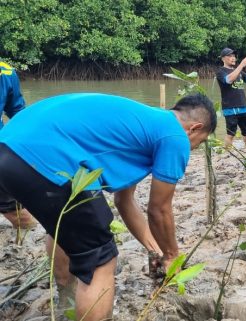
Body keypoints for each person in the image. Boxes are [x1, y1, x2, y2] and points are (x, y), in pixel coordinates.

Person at [0, 93, 216, 321]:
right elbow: (159, 210)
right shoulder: (175, 136)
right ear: (194, 128)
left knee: (65, 229)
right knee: (100, 259)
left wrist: (156, 251)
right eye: (199, 142)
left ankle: (67, 302)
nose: (193, 149)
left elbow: (125, 202)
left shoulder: (143, 125)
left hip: (8, 147)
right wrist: (172, 256)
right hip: (46, 156)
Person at [0, 62, 35, 230]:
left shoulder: (5, 71)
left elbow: (17, 112)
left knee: (15, 211)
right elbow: (18, 113)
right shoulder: (5, 70)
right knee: (16, 213)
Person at [216, 47, 246, 150]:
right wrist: (242, 65)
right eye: (230, 56)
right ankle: (226, 154)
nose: (233, 58)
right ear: (223, 59)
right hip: (230, 109)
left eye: (234, 56)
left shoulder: (239, 71)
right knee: (231, 134)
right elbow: (229, 80)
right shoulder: (220, 71)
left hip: (243, 107)